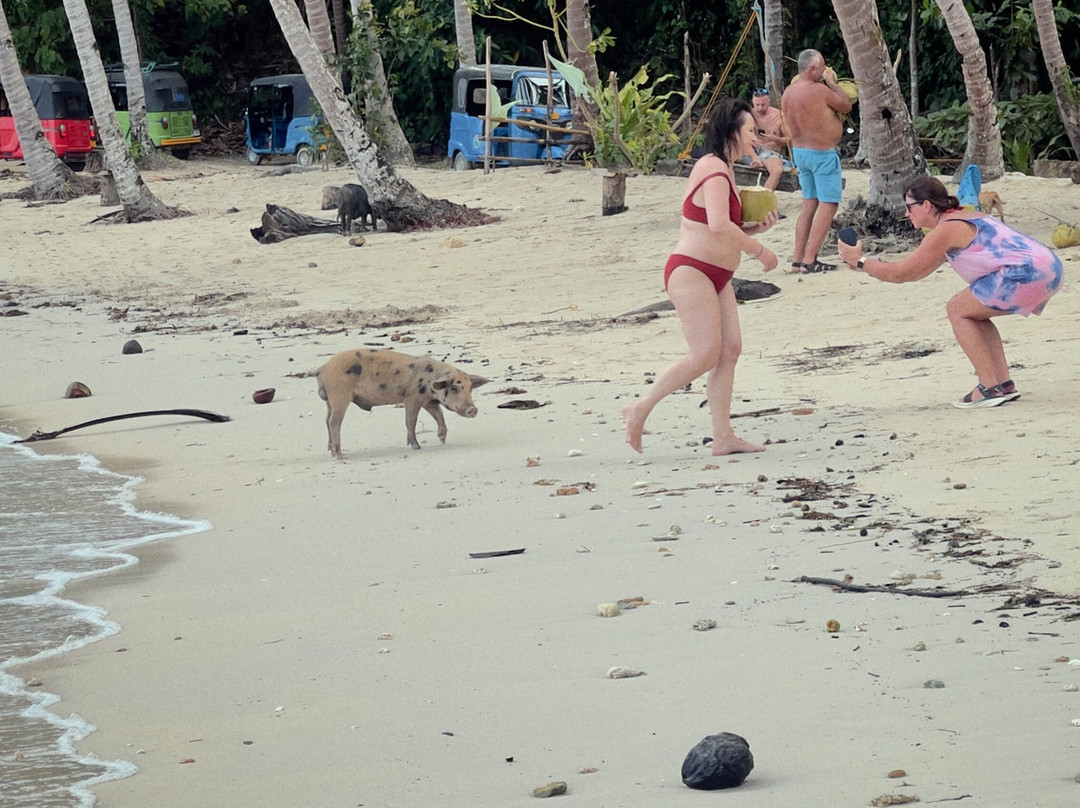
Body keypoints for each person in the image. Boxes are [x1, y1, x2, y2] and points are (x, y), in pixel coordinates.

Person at [622, 98, 779, 454]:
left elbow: (721, 228)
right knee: (705, 353)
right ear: (731, 132)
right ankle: (640, 408)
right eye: (750, 131)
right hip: (692, 270)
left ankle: (722, 436)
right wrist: (759, 251)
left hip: (716, 275)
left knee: (730, 349)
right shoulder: (713, 169)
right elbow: (719, 225)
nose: (755, 138)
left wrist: (757, 229)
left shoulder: (725, 168)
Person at [837, 176, 1063, 408]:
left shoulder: (947, 228)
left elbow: (902, 273)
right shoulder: (962, 217)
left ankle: (988, 388)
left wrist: (860, 261)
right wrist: (867, 266)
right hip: (1049, 267)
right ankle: (1002, 383)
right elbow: (915, 271)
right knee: (972, 313)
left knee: (957, 309)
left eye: (909, 207)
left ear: (926, 205)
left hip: (1027, 272)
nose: (906, 213)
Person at [780, 49, 853, 273]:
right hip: (821, 154)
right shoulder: (820, 90)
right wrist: (832, 83)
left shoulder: (788, 92)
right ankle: (810, 259)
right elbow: (846, 105)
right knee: (828, 204)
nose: (824, 71)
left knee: (809, 204)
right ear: (812, 69)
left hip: (800, 152)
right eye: (822, 68)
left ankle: (797, 259)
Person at [734, 88, 791, 192]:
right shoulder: (748, 114)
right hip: (748, 149)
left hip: (768, 152)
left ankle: (765, 195)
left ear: (768, 102)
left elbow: (790, 140)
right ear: (752, 102)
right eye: (757, 105)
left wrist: (775, 139)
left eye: (763, 105)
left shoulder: (779, 116)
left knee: (777, 170)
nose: (760, 108)